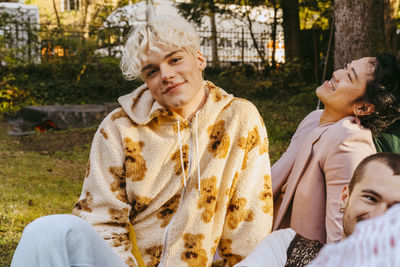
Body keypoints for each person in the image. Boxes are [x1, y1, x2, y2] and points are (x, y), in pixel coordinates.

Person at [11, 16, 273, 267]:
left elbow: (250, 219)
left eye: (175, 60)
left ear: (199, 59)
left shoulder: (239, 117)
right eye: (152, 71)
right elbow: (100, 218)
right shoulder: (118, 127)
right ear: (146, 81)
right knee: (46, 230)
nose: (166, 74)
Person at [272, 53, 400, 244]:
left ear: (364, 108)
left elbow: (343, 240)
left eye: (349, 77)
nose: (336, 73)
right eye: (346, 67)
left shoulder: (349, 142)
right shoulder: (314, 119)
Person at [235, 152, 400, 267]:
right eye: (370, 198)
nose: (379, 216)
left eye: (396, 208)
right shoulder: (285, 246)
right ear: (344, 198)